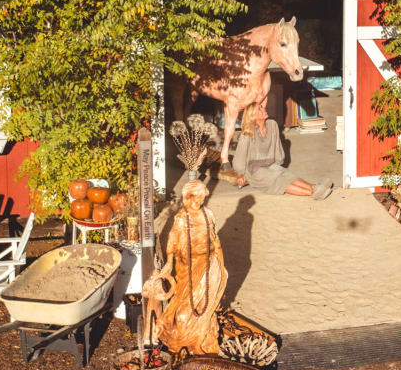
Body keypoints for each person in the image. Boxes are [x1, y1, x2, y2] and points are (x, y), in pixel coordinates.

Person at [141, 179, 227, 355]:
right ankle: (182, 340)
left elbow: (214, 239)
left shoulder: (208, 214)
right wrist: (169, 263)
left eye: (201, 198)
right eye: (195, 198)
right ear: (187, 197)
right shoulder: (181, 218)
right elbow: (172, 243)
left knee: (205, 303)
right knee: (183, 309)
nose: (198, 202)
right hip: (186, 266)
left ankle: (202, 339)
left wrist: (221, 263)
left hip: (208, 264)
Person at [232, 105, 333, 199]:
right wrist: (240, 174)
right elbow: (238, 159)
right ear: (253, 116)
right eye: (260, 109)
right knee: (279, 181)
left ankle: (314, 187)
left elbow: (277, 146)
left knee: (285, 174)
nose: (264, 109)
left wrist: (278, 162)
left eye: (262, 107)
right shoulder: (247, 134)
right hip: (254, 170)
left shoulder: (272, 124)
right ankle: (313, 193)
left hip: (269, 163)